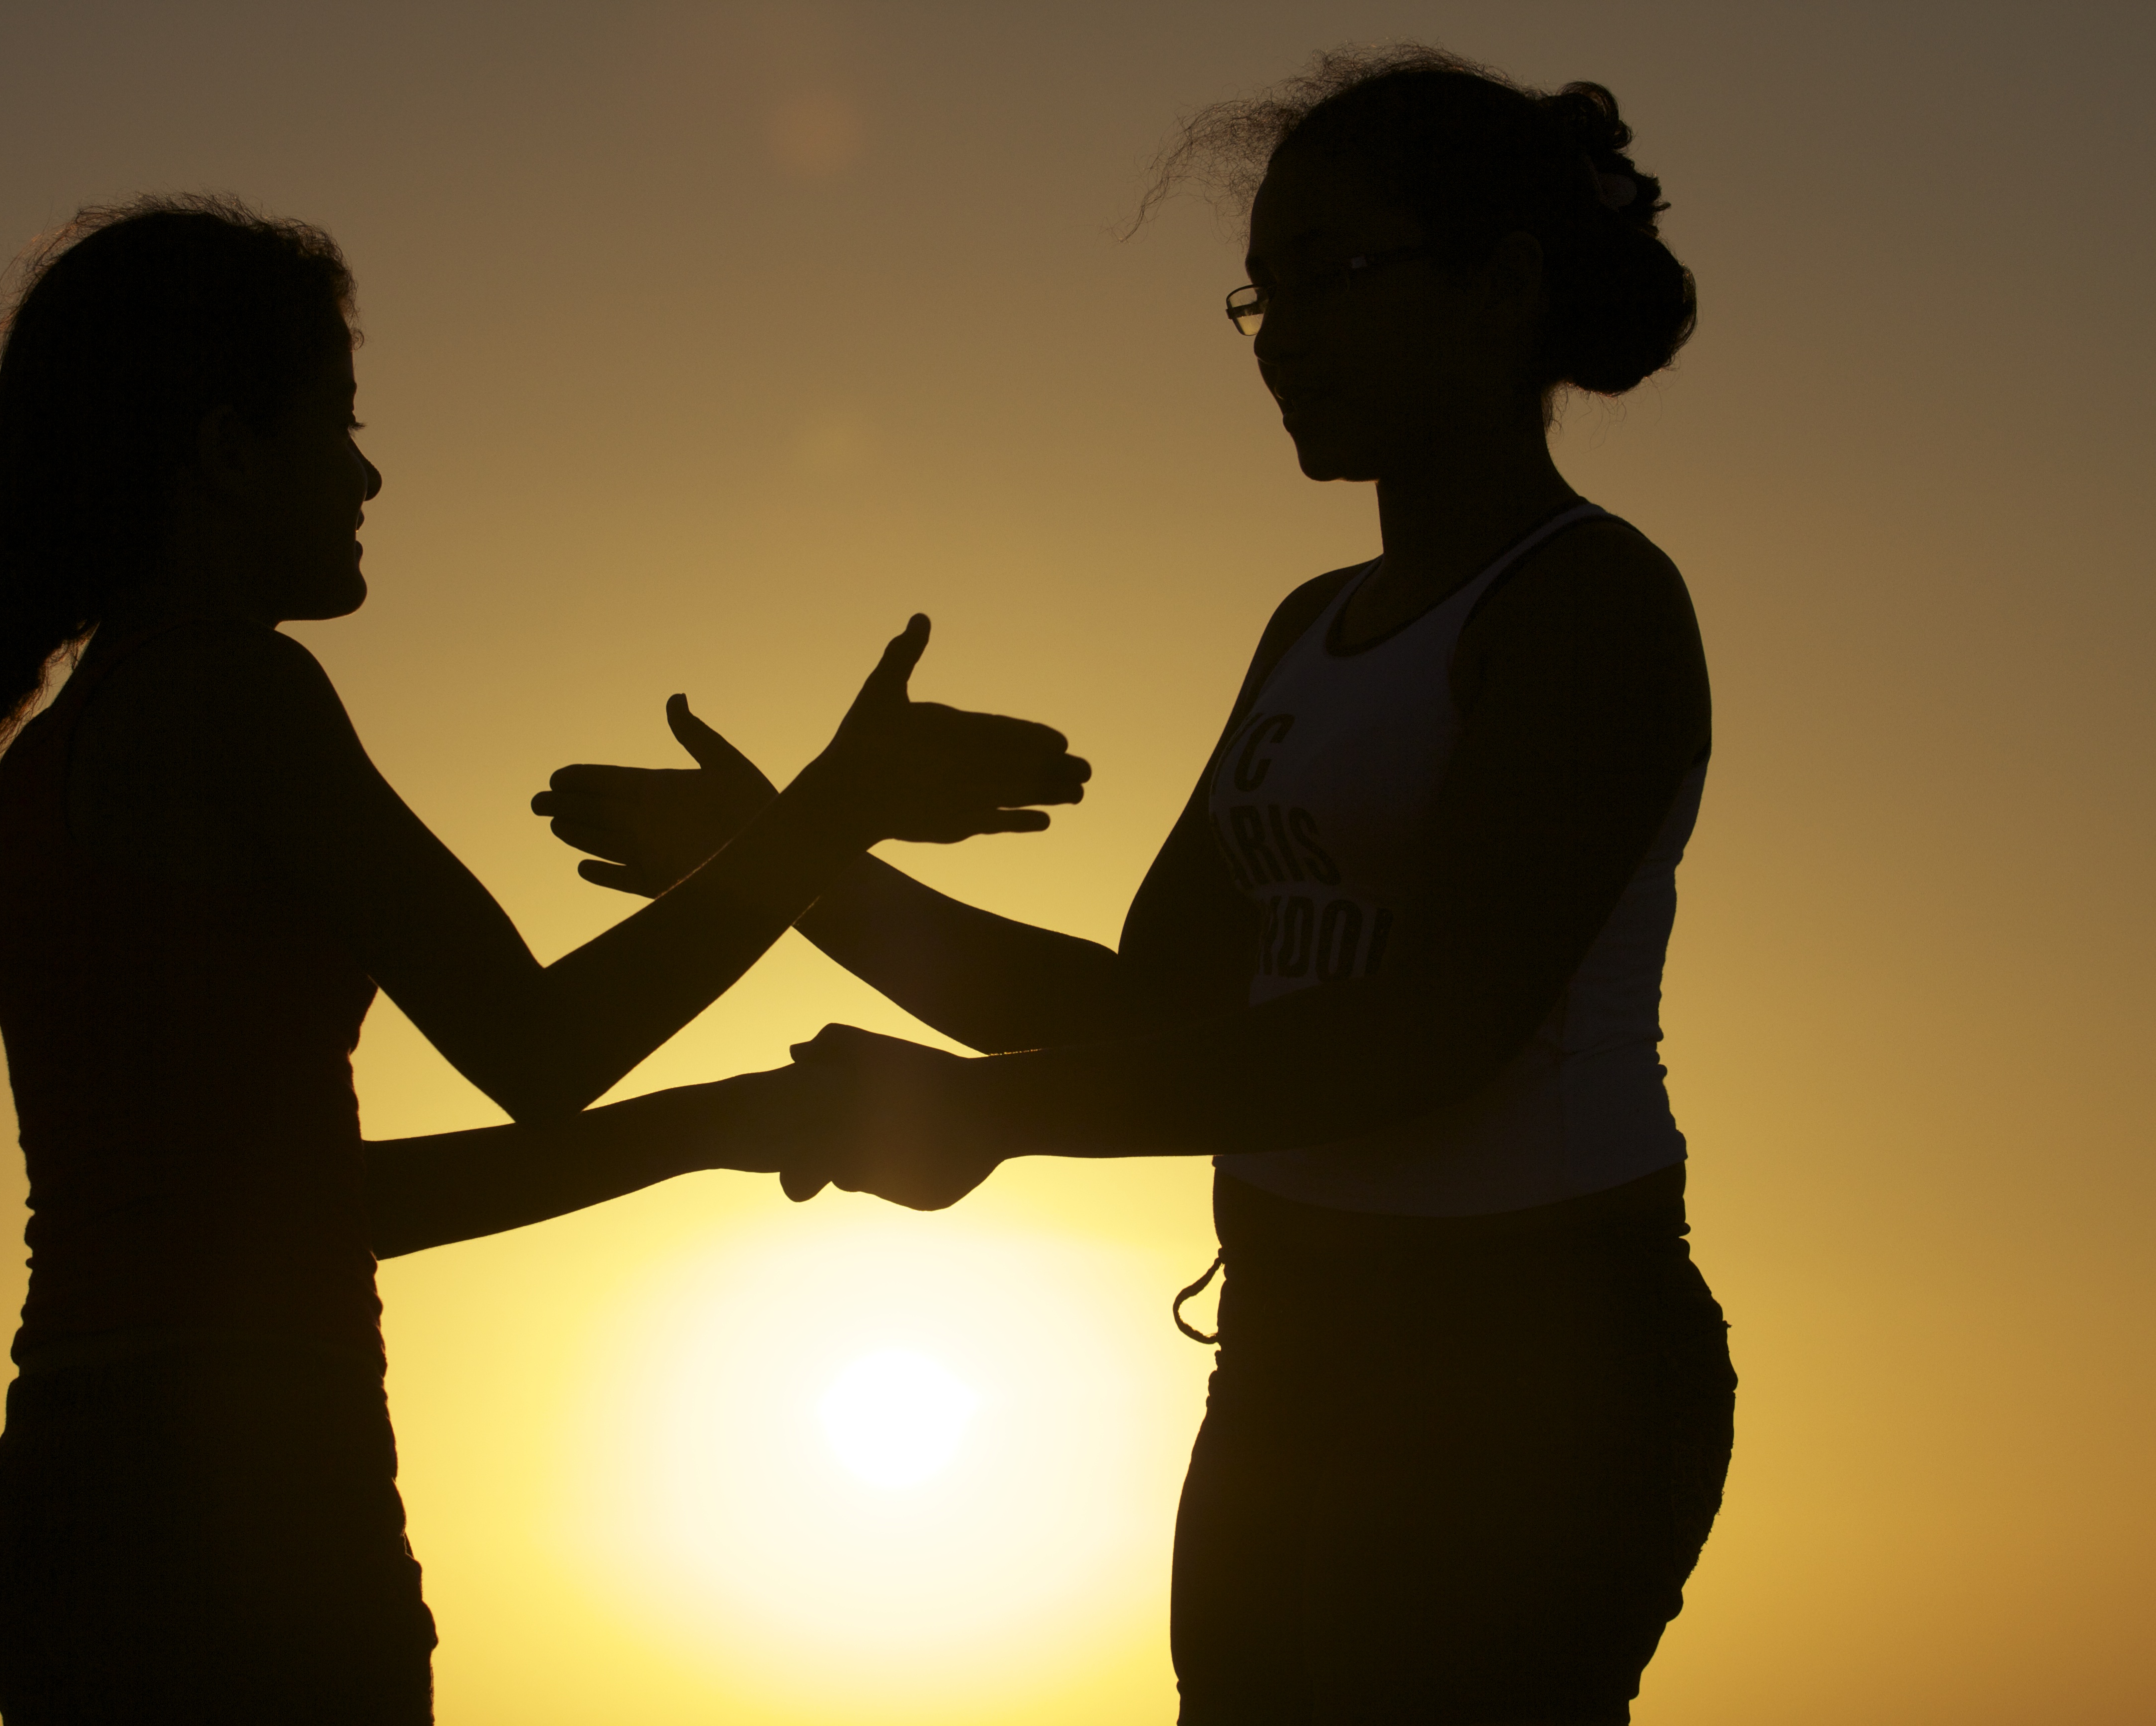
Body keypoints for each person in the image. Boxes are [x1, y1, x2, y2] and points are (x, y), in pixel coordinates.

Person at [535, 46, 1734, 1726]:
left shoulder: (1592, 603)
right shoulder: (1309, 631)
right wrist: (781, 861)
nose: (1288, 335)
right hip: (1299, 1360)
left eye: (1339, 274)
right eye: (1264, 293)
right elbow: (1142, 1007)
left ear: (1508, 288)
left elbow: (1426, 1039)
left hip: (1540, 1372)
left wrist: (989, 1114)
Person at [0, 194, 1087, 1725]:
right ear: (220, 451)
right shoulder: (246, 695)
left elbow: (305, 1209)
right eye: (335, 423)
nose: (368, 472)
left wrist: (716, 1125)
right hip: (249, 1497)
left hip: (70, 1485)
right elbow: (538, 1048)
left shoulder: (59, 760)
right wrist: (830, 812)